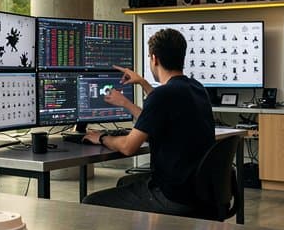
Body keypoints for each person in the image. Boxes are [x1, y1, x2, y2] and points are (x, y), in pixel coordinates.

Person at [82, 27, 215, 215]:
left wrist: (102, 137)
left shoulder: (163, 95)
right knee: (124, 183)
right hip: (199, 193)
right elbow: (159, 114)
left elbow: (129, 147)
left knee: (90, 202)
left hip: (172, 196)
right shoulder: (196, 88)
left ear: (154, 59)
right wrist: (137, 90)